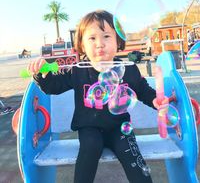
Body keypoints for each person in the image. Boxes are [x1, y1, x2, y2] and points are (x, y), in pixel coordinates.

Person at [28, 10, 167, 183]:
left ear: (118, 41)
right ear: (82, 44)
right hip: (89, 128)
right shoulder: (78, 70)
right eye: (92, 38)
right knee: (90, 146)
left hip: (120, 127)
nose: (100, 44)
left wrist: (155, 100)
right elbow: (54, 87)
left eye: (106, 36)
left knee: (131, 153)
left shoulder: (129, 69)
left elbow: (143, 90)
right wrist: (42, 74)